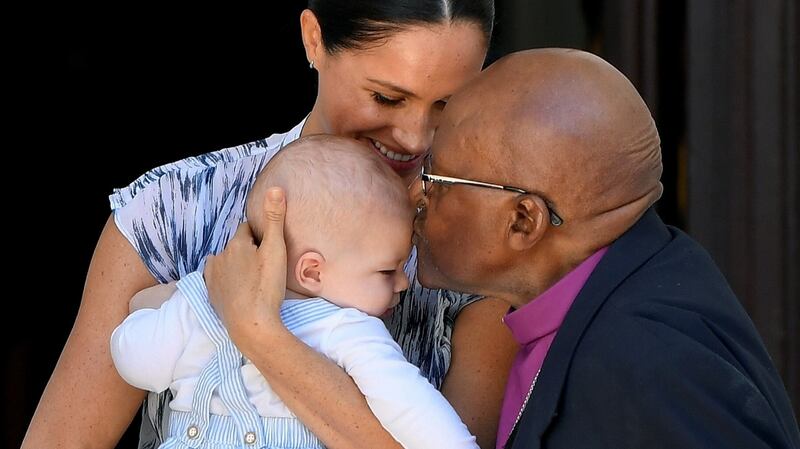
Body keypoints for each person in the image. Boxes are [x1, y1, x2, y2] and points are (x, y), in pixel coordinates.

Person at [24, 2, 517, 449]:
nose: (414, 137)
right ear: (313, 39)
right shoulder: (176, 208)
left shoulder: (483, 242)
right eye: (387, 98)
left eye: (447, 105)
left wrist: (256, 329)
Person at [408, 48, 799, 448]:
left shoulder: (643, 366)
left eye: (436, 180)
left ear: (523, 220)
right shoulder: (631, 286)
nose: (417, 198)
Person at [110, 136, 479, 449]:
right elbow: (414, 411)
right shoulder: (346, 328)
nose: (403, 282)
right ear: (312, 271)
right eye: (387, 270)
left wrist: (175, 300)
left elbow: (137, 363)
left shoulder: (205, 300)